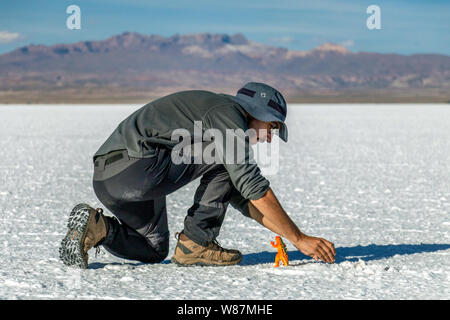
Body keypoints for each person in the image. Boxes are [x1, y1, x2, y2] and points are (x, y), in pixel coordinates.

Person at [59, 82, 336, 269]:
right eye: (271, 127)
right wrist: (299, 239)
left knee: (153, 249)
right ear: (257, 112)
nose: (267, 138)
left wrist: (293, 236)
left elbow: (242, 197)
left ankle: (97, 227)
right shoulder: (228, 113)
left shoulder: (218, 113)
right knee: (227, 160)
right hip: (136, 170)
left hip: (110, 178)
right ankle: (196, 242)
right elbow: (250, 183)